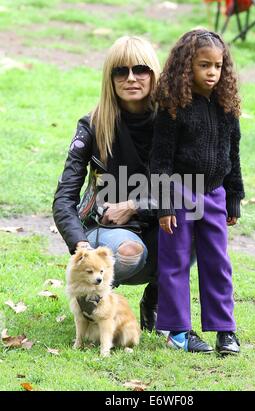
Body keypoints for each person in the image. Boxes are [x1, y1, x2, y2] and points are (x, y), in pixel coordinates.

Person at [52, 36, 162, 332]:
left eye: (140, 69)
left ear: (154, 74)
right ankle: (95, 307)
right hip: (106, 229)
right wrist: (81, 245)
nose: (130, 78)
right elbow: (64, 197)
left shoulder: (172, 122)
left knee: (193, 229)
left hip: (157, 220)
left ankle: (156, 298)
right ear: (109, 77)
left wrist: (136, 205)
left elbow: (190, 188)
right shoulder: (92, 124)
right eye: (120, 71)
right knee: (128, 252)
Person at [150, 29, 245, 354]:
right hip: (178, 195)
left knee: (217, 261)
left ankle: (225, 330)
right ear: (186, 65)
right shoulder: (173, 107)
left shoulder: (226, 107)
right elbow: (160, 160)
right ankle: (178, 331)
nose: (212, 73)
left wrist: (233, 196)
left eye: (218, 66)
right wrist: (163, 205)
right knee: (174, 261)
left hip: (215, 194)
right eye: (205, 65)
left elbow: (233, 155)